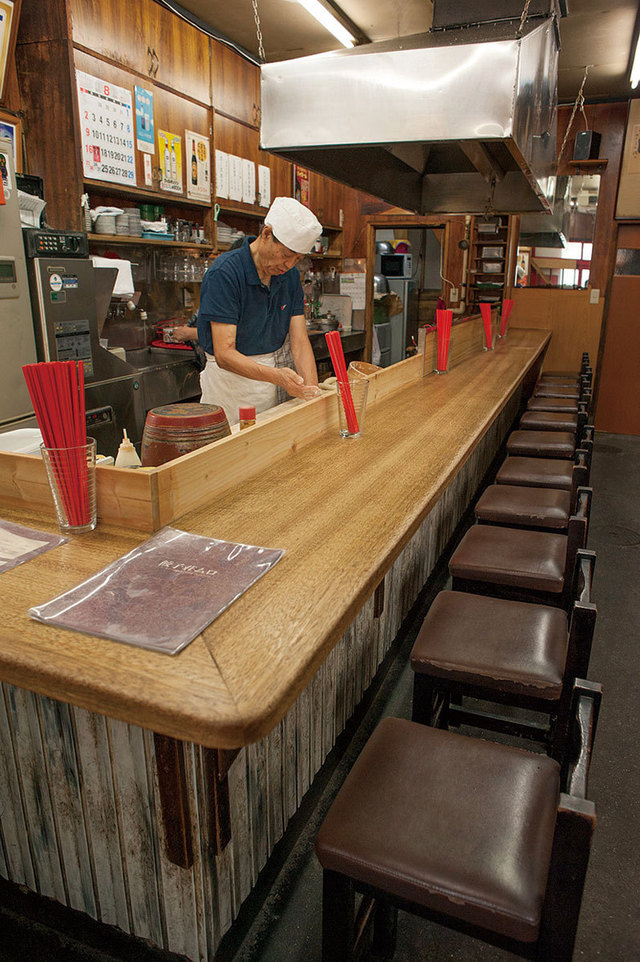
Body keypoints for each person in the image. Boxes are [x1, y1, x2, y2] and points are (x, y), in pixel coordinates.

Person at [196, 197, 323, 425]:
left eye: (298, 259)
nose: (289, 265)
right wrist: (278, 377)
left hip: (270, 384)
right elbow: (225, 354)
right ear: (266, 234)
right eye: (285, 255)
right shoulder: (225, 273)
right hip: (229, 386)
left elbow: (300, 341)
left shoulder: (289, 276)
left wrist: (312, 396)